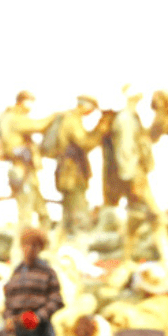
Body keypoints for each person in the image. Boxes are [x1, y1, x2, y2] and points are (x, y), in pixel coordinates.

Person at [105, 85, 168, 278]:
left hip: (136, 174)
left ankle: (128, 258)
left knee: (137, 217)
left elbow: (145, 141)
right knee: (155, 216)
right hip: (134, 175)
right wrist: (132, 179)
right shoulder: (126, 119)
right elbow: (125, 150)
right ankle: (167, 257)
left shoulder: (132, 117)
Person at [54, 95, 114, 239]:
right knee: (78, 213)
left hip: (71, 172)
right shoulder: (72, 120)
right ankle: (79, 246)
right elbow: (84, 143)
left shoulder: (71, 119)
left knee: (70, 214)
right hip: (71, 173)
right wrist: (100, 129)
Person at [0, 90, 55, 232]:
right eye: (29, 101)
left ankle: (43, 245)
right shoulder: (14, 117)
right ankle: (21, 250)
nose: (31, 105)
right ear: (21, 101)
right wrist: (55, 116)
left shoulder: (14, 117)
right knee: (26, 215)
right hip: (22, 171)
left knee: (43, 212)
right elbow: (38, 126)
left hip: (28, 173)